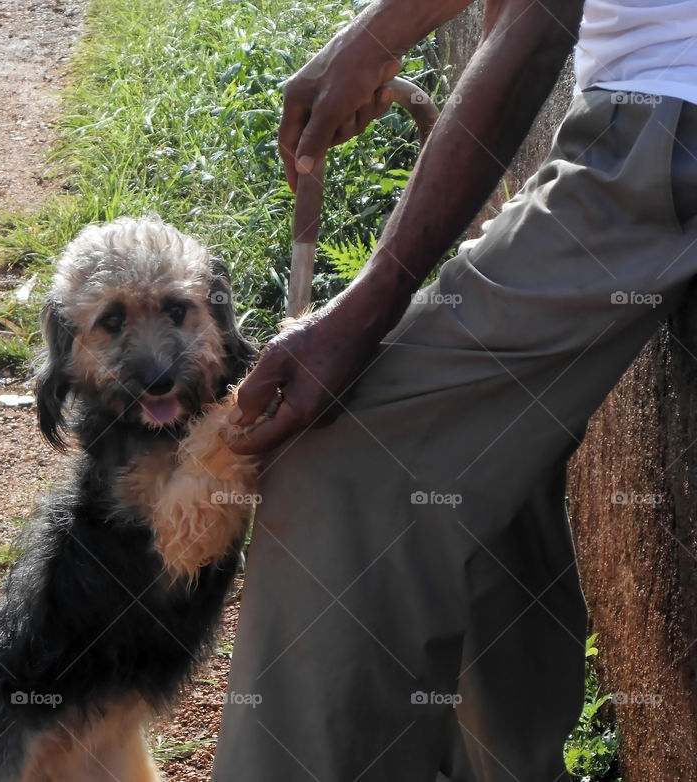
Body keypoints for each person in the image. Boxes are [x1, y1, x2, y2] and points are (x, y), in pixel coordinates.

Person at [212, 0, 697, 779]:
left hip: (664, 125)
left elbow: (540, 21)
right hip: (644, 123)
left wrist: (366, 306)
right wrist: (375, 35)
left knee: (336, 467)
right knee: (481, 472)